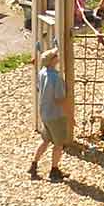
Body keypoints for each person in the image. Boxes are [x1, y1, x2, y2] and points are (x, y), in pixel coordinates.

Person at [28, 44, 70, 182]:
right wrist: (70, 115)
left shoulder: (42, 73)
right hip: (56, 115)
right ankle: (54, 170)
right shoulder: (56, 78)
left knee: (45, 140)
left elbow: (39, 88)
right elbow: (60, 99)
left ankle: (34, 165)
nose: (58, 58)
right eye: (56, 56)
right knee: (58, 144)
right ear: (52, 60)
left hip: (45, 113)